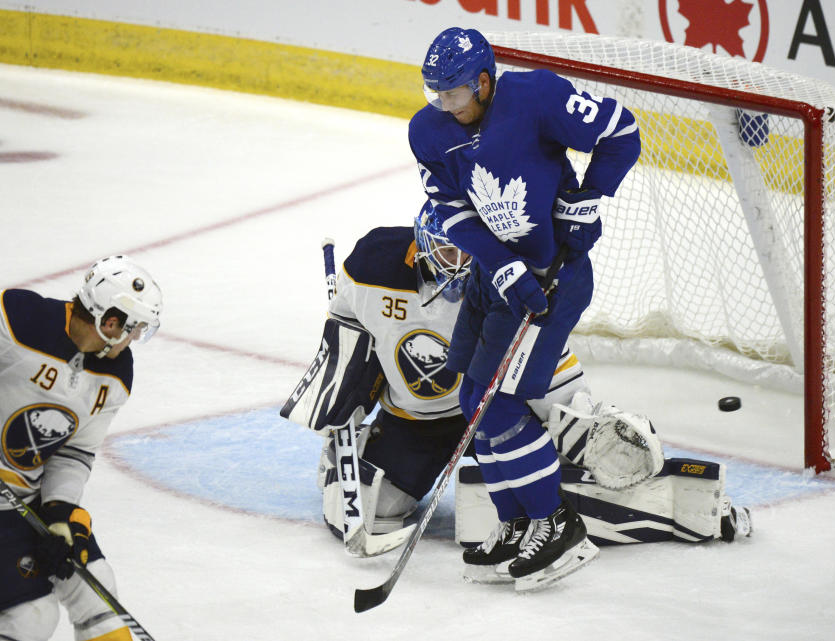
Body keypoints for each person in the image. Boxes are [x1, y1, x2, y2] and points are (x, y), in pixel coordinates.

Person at [280, 205, 751, 590]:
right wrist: (345, 381)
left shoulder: (502, 282)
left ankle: (671, 509)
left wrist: (579, 424)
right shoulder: (373, 263)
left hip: (489, 412)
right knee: (364, 508)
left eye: (469, 252)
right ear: (422, 240)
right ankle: (355, 459)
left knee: (492, 511)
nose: (458, 264)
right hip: (413, 420)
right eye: (446, 249)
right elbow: (348, 325)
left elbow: (541, 361)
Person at [407, 26, 644, 588]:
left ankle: (557, 525)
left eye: (457, 95)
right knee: (472, 396)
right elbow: (451, 213)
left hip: (552, 283)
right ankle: (517, 522)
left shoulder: (537, 97)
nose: (447, 106)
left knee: (501, 405)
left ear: (484, 81)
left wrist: (589, 195)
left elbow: (623, 131)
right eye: (438, 95)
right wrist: (501, 264)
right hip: (498, 279)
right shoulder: (428, 131)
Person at [0, 256, 162, 641]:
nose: (135, 337)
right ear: (110, 322)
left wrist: (58, 513)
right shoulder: (17, 319)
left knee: (99, 598)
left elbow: (75, 453)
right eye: (133, 327)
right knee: (32, 621)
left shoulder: (115, 374)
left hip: (25, 499)